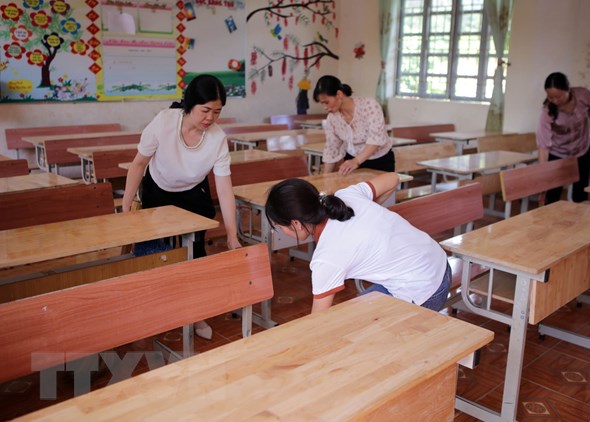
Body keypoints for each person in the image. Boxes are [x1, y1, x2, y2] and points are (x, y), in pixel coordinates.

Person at [122, 74, 242, 339]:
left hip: (192, 192)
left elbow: (224, 188)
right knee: (155, 252)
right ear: (190, 104)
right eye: (205, 110)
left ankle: (195, 314)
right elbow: (139, 163)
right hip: (158, 190)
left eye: (217, 112)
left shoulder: (217, 138)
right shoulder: (164, 122)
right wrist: (126, 207)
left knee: (195, 252)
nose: (210, 118)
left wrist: (231, 235)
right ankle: (155, 307)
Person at [265, 172, 451, 313]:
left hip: (426, 290)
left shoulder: (327, 258)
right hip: (440, 262)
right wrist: (370, 213)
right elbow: (393, 178)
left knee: (356, 331)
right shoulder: (348, 195)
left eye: (280, 227)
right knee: (355, 313)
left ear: (296, 223)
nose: (280, 231)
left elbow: (319, 319)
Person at [536, 72, 590, 204]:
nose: (555, 100)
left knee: (580, 192)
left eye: (558, 96)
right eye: (550, 97)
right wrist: (544, 175)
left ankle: (579, 215)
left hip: (582, 148)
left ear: (568, 89)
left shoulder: (585, 96)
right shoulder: (547, 111)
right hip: (558, 152)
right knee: (552, 194)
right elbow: (543, 147)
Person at [312, 75, 394, 175]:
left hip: (380, 161)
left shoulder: (369, 106)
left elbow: (375, 140)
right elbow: (332, 149)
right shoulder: (332, 118)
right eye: (322, 104)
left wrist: (356, 161)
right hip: (351, 161)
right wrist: (325, 178)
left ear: (339, 94)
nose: (325, 107)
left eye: (326, 102)